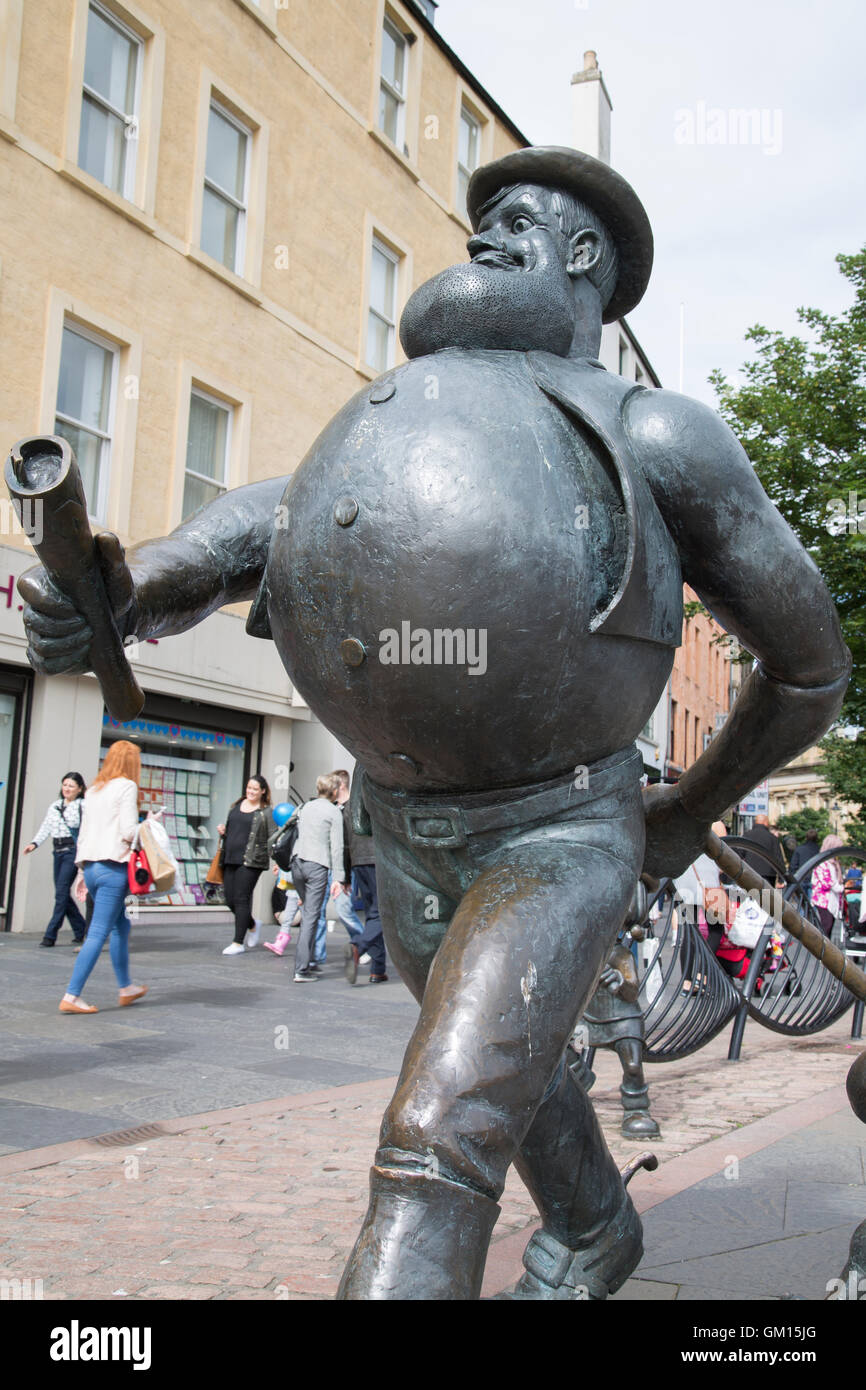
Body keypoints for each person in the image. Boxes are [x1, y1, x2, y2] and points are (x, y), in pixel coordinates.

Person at [18, 144, 851, 1299]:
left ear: (580, 256)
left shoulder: (653, 433)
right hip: (398, 831)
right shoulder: (386, 409)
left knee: (435, 1134)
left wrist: (686, 809)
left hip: (554, 834)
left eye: (513, 219)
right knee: (506, 1052)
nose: (479, 236)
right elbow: (268, 519)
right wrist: (130, 586)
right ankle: (595, 1227)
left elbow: (808, 669)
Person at [58, 740, 146, 1015]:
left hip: (94, 868)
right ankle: (72, 995)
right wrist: (150, 826)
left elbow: (83, 834)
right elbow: (129, 831)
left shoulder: (95, 790)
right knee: (98, 933)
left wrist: (82, 872)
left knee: (121, 925)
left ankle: (126, 987)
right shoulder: (127, 786)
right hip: (114, 868)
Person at [289, 773, 346, 981]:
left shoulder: (304, 807)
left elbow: (288, 828)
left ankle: (309, 960)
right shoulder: (333, 812)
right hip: (317, 865)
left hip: (297, 862)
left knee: (308, 913)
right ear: (334, 791)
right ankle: (301, 969)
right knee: (311, 917)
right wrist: (339, 877)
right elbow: (337, 848)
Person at [333, 769, 387, 985]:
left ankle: (378, 969)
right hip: (378, 859)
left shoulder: (347, 807)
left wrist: (345, 875)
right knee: (383, 913)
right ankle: (358, 946)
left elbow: (345, 844)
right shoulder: (375, 795)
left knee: (373, 914)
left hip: (358, 862)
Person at [23, 771, 87, 948]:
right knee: (62, 894)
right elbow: (46, 827)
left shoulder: (83, 805)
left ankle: (50, 935)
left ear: (80, 789)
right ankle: (81, 928)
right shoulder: (54, 806)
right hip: (57, 851)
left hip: (72, 852)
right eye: (65, 784)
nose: (67, 788)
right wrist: (34, 843)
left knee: (60, 893)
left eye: (71, 786)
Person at [217, 775, 274, 956]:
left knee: (241, 898)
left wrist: (277, 861)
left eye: (255, 789)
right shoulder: (236, 806)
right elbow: (232, 830)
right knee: (229, 899)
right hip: (230, 857)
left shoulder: (266, 812)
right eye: (249, 788)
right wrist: (223, 832)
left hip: (251, 861)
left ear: (263, 791)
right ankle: (251, 924)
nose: (251, 791)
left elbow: (273, 838)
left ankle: (238, 942)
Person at [811, 835, 845, 937]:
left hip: (832, 899)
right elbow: (826, 882)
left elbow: (838, 880)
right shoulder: (822, 863)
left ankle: (824, 950)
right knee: (826, 926)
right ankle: (821, 950)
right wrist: (842, 888)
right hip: (823, 900)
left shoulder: (834, 863)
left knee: (828, 928)